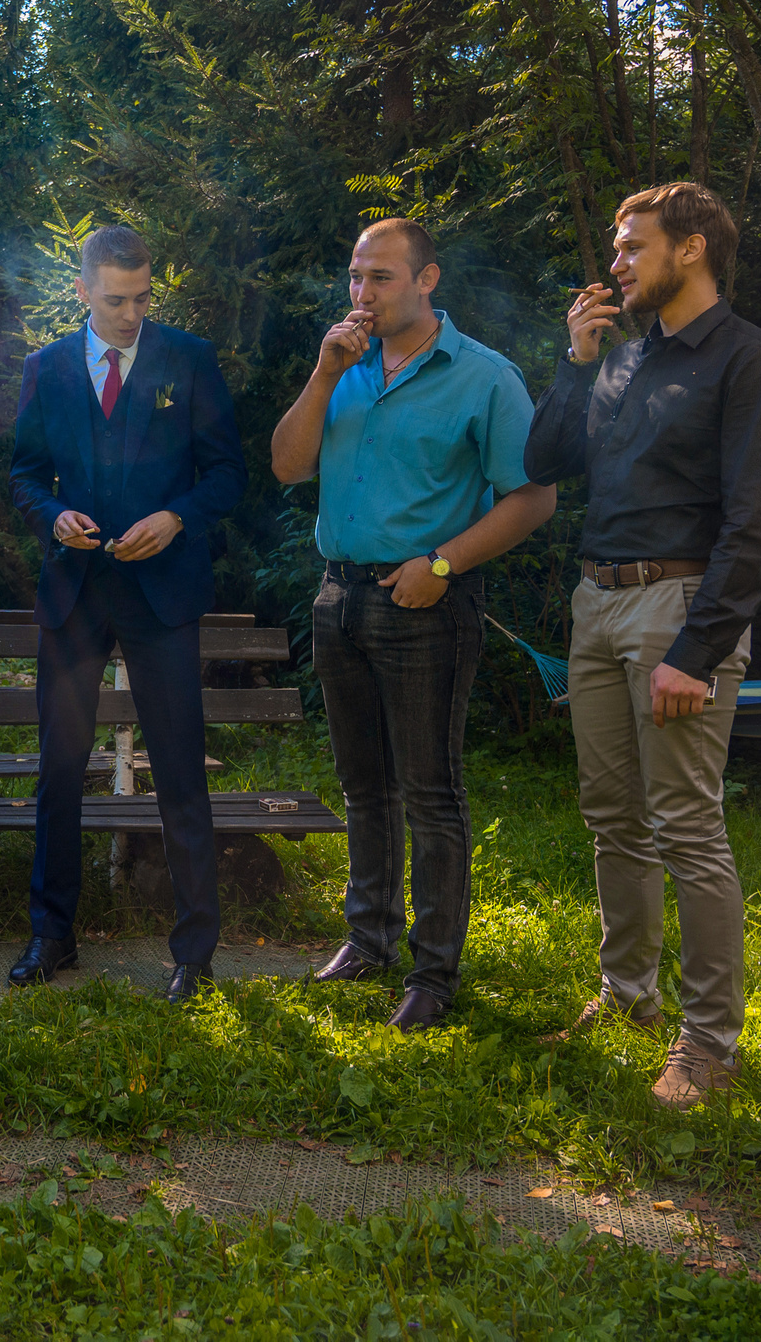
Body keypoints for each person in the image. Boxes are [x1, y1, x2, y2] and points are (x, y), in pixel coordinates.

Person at [523, 181, 761, 1110]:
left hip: (678, 609)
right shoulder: (620, 361)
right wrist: (577, 355)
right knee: (612, 818)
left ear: (690, 249)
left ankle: (709, 1042)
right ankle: (629, 999)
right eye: (616, 247)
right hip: (596, 605)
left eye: (633, 245)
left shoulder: (749, 360)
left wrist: (699, 646)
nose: (617, 262)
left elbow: (754, 521)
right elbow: (543, 462)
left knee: (687, 826)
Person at [268, 218, 556, 1030]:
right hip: (339, 598)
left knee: (430, 793)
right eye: (355, 277)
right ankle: (368, 942)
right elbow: (289, 464)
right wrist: (325, 374)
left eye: (381, 278)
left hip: (425, 600)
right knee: (366, 790)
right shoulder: (343, 366)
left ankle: (433, 975)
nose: (362, 294)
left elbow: (534, 496)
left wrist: (443, 566)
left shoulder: (484, 377)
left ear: (428, 281)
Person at [8, 225, 245, 1004]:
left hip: (162, 590)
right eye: (115, 299)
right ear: (82, 290)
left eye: (143, 297)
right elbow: (22, 473)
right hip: (74, 594)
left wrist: (175, 518)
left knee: (179, 770)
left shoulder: (189, 359)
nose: (131, 313)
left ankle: (195, 951)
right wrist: (53, 515)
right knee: (59, 770)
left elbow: (227, 474)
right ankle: (52, 935)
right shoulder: (45, 369)